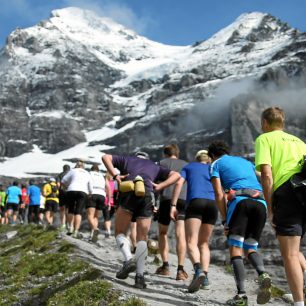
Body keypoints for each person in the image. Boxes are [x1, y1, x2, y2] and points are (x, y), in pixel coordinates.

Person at [102, 151, 180, 289]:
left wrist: (116, 176)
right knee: (142, 237)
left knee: (120, 231)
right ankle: (140, 277)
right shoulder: (154, 166)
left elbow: (105, 157)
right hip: (148, 195)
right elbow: (176, 175)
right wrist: (160, 186)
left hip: (129, 192)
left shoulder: (126, 159)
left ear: (135, 156)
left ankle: (128, 259)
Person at [208, 140, 271, 306]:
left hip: (241, 202)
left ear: (212, 155)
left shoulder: (216, 163)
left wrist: (224, 219)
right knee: (251, 247)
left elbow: (218, 193)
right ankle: (263, 274)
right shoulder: (246, 162)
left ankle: (241, 296)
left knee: (236, 248)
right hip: (260, 203)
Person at [255, 107, 306, 306]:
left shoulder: (264, 139)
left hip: (287, 193)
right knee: (296, 249)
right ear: (282, 123)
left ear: (265, 123)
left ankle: (299, 302)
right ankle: (298, 290)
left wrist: (270, 209)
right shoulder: (300, 142)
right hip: (304, 192)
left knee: (290, 254)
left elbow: (267, 175)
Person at [172, 149, 217, 293]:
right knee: (204, 243)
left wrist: (173, 205)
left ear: (197, 158)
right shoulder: (213, 168)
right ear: (208, 159)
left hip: (195, 202)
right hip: (212, 204)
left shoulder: (189, 166)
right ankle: (206, 278)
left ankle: (198, 271)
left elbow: (179, 183)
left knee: (191, 241)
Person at [155, 144, 188, 281]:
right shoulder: (186, 165)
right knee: (180, 234)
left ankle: (165, 266)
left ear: (165, 154)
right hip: (183, 199)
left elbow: (155, 182)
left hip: (166, 199)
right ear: (177, 153)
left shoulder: (161, 163)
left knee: (163, 232)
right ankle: (180, 270)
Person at [61, 160, 93, 239]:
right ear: (83, 167)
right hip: (83, 192)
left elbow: (63, 181)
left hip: (71, 190)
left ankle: (70, 227)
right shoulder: (87, 173)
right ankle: (76, 231)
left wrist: (66, 187)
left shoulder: (73, 170)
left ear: (76, 165)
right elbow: (91, 187)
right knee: (78, 212)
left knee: (71, 209)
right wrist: (89, 194)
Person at [87, 164, 111, 242]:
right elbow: (108, 188)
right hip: (102, 195)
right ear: (98, 170)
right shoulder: (103, 176)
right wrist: (109, 201)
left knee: (90, 215)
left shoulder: (89, 174)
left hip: (93, 193)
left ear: (91, 169)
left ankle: (94, 229)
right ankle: (92, 233)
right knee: (96, 216)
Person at [57, 164, 71, 231]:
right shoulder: (71, 174)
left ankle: (63, 224)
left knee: (62, 209)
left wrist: (58, 190)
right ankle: (69, 224)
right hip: (70, 192)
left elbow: (58, 184)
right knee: (68, 209)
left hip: (62, 192)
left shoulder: (60, 175)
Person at [104, 172, 117, 238]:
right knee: (109, 218)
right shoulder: (115, 183)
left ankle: (108, 231)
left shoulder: (105, 182)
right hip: (113, 202)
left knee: (106, 218)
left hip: (106, 200)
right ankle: (107, 231)